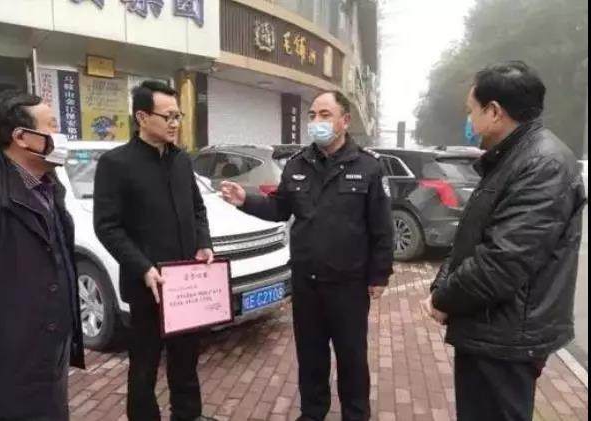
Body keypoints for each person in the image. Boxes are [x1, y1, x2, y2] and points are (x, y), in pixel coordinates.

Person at [421, 61, 587, 421]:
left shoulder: (543, 165)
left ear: (494, 111)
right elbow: (470, 238)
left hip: (506, 340)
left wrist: (444, 298)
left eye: (471, 110)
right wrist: (442, 285)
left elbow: (501, 262)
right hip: (490, 330)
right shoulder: (511, 158)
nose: (468, 120)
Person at [221, 91, 394, 421]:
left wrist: (379, 274)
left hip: (348, 284)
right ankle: (313, 413)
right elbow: (279, 208)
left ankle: (356, 414)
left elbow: (381, 226)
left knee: (352, 357)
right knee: (311, 356)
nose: (316, 122)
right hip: (307, 282)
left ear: (345, 121)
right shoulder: (297, 164)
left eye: (325, 115)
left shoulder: (367, 166)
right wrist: (246, 200)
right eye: (312, 115)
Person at [0, 91, 85, 420]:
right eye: (52, 126)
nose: (60, 136)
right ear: (21, 137)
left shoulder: (48, 185)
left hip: (45, 365)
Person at [93, 81, 216, 421]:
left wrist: (204, 244)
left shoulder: (181, 160)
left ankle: (187, 415)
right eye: (168, 116)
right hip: (147, 285)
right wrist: (143, 267)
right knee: (144, 366)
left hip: (186, 285)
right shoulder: (116, 164)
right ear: (142, 117)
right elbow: (107, 226)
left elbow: (197, 209)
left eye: (178, 115)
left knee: (186, 360)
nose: (175, 123)